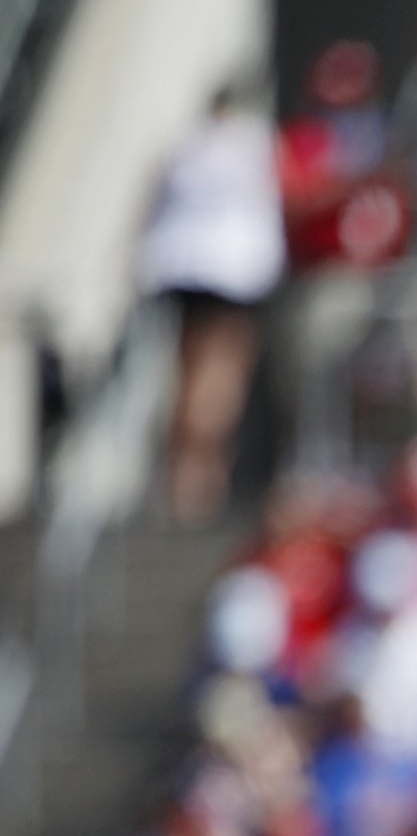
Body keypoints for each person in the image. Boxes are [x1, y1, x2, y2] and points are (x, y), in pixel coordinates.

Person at [140, 77, 287, 524]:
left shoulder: (186, 149)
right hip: (233, 276)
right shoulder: (252, 146)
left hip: (185, 272)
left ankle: (188, 479)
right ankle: (202, 479)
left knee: (190, 372)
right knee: (218, 378)